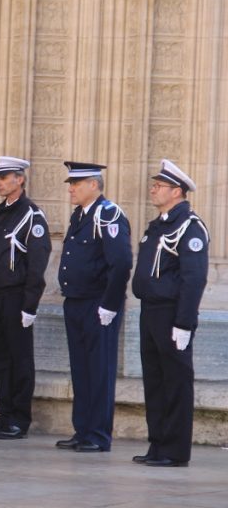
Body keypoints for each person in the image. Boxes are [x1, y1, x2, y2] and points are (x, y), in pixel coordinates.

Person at [131, 159, 208, 468]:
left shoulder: (190, 227)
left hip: (172, 315)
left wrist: (184, 322)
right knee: (155, 380)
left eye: (159, 186)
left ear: (177, 191)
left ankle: (174, 450)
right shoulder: (158, 225)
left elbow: (194, 278)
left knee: (175, 381)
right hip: (150, 311)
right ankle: (158, 444)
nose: (153, 189)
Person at [54, 162, 132, 453]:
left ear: (94, 185)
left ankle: (98, 434)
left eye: (77, 183)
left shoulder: (107, 214)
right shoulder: (80, 215)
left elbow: (121, 262)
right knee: (81, 369)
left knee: (99, 369)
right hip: (75, 301)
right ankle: (83, 429)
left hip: (98, 305)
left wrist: (110, 304)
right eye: (71, 183)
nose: (71, 188)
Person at [0, 156, 51, 440]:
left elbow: (37, 263)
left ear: (20, 179)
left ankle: (19, 418)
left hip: (16, 297)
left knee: (20, 359)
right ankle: (4, 414)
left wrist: (30, 304)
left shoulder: (32, 216)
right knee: (1, 358)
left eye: (5, 177)